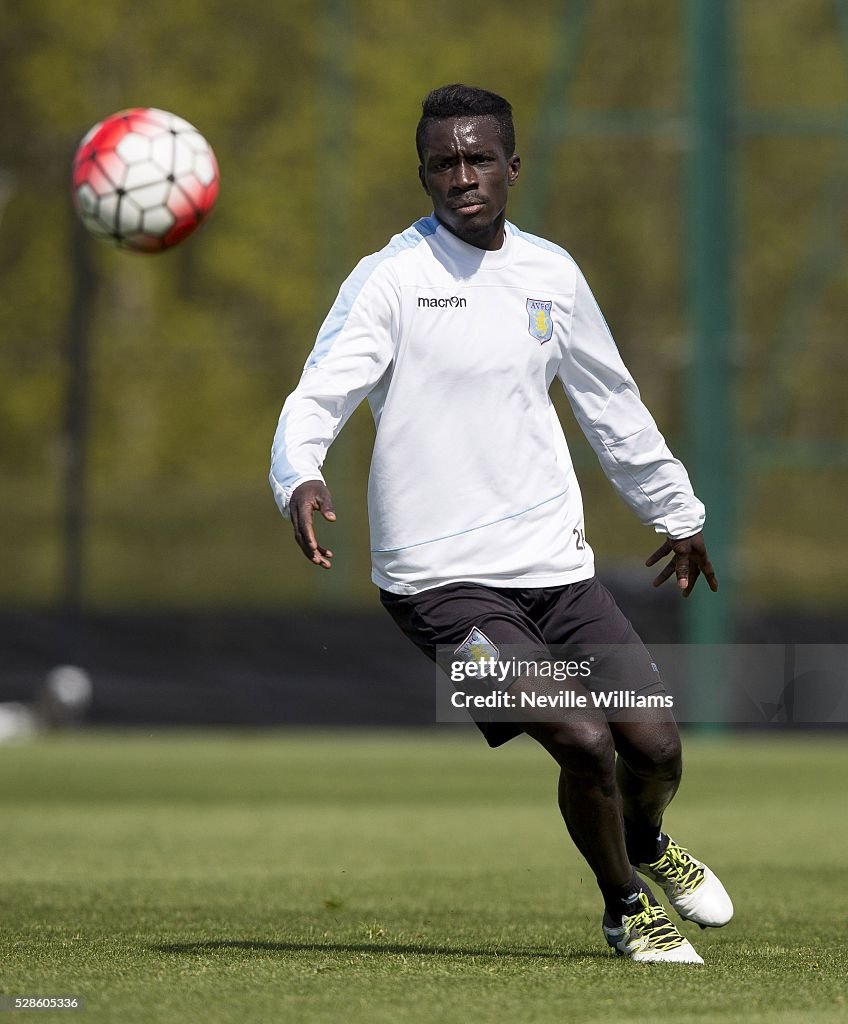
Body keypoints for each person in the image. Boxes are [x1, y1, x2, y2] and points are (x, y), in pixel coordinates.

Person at [270, 83, 732, 964]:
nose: (463, 175)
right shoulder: (391, 280)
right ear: (424, 174)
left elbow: (611, 403)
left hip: (555, 572)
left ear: (513, 167)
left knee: (654, 746)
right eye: (444, 162)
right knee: (583, 740)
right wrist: (299, 475)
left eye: (479, 157)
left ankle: (645, 840)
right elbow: (318, 393)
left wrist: (678, 510)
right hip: (437, 587)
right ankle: (625, 906)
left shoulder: (551, 274)